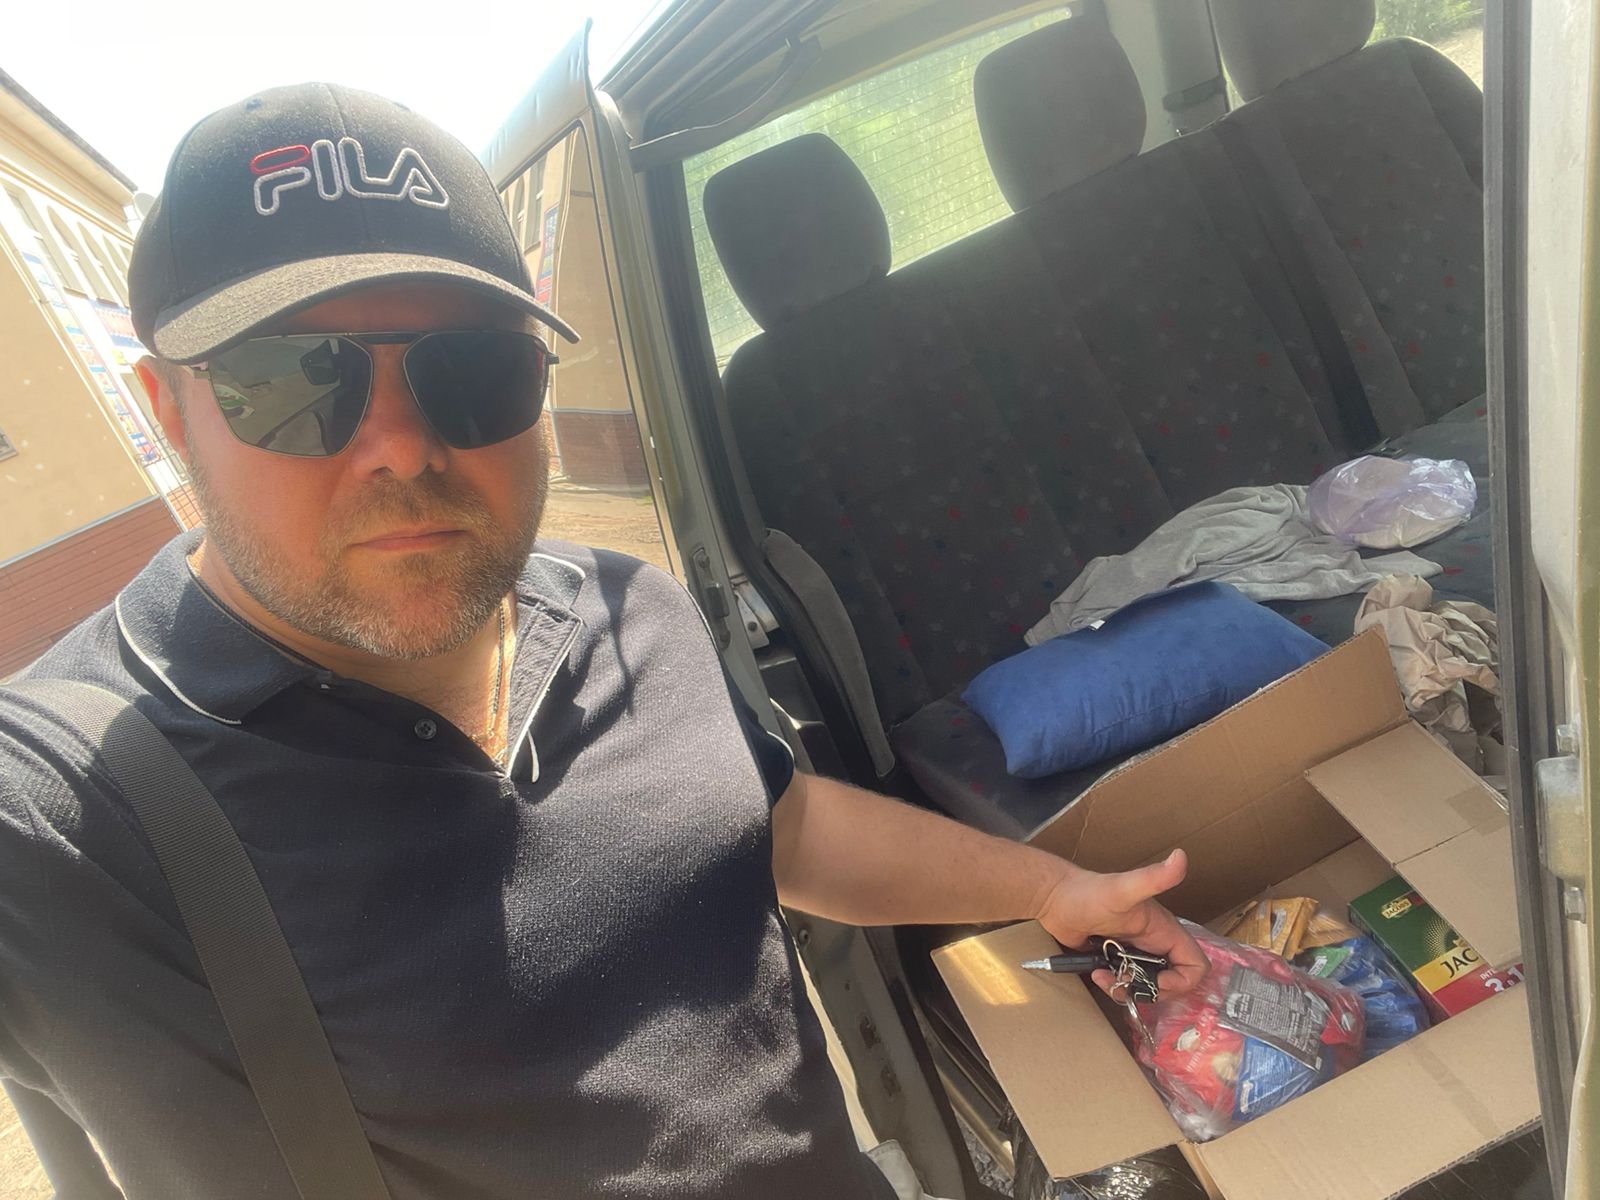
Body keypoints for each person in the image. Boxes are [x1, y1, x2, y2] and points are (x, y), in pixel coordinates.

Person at [0, 83, 1204, 1200]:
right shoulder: (60, 808)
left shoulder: (635, 613)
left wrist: (1048, 887)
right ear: (169, 414)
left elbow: (776, 825)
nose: (402, 446)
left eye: (472, 369)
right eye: (292, 381)